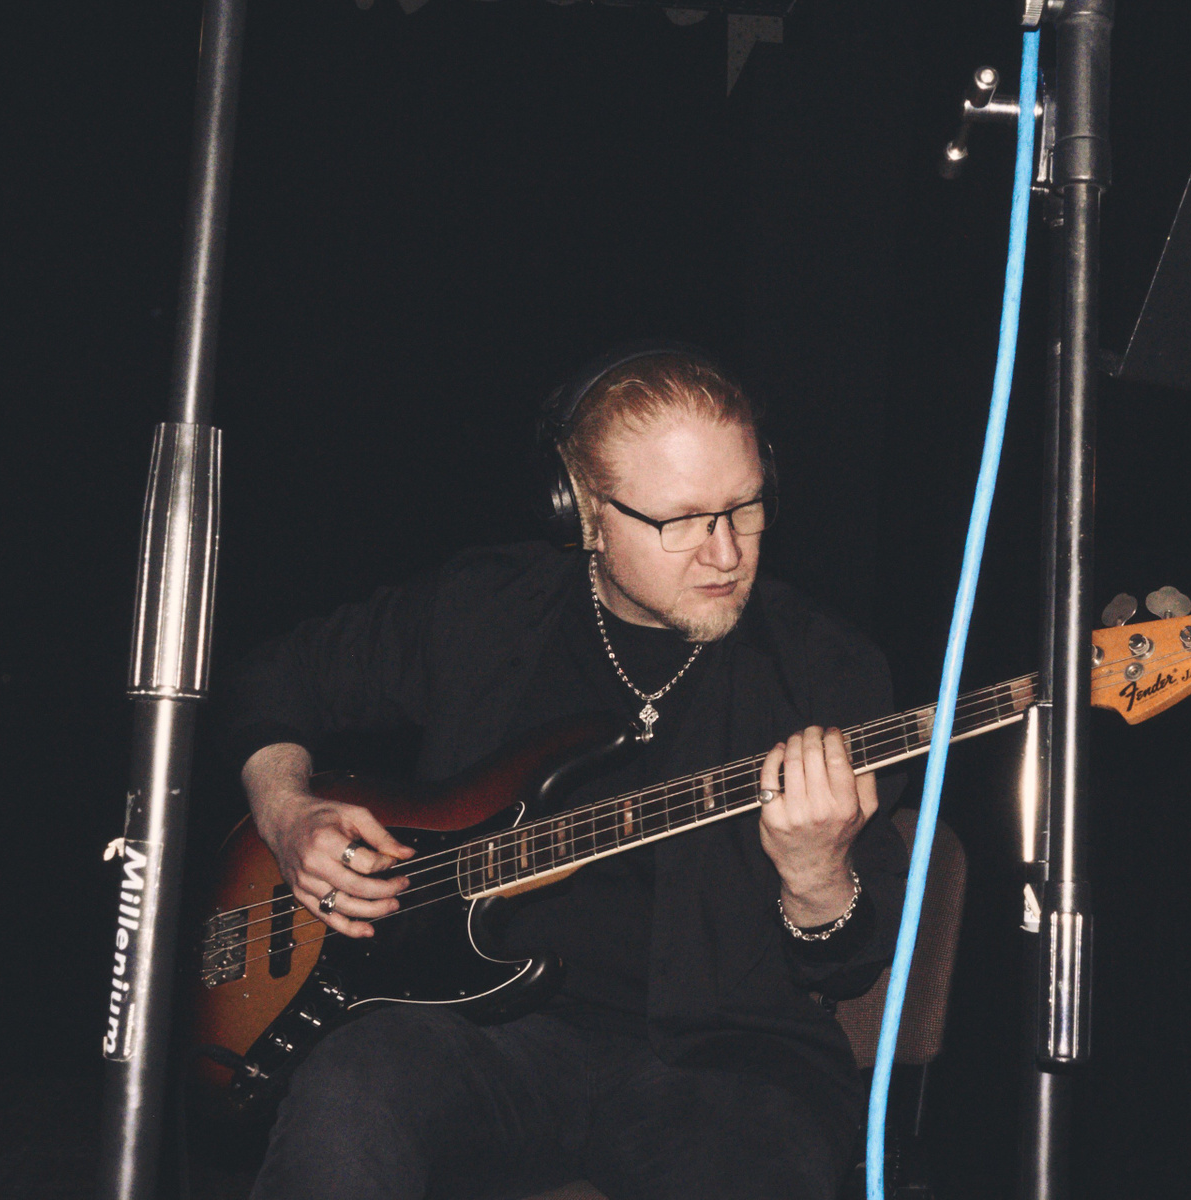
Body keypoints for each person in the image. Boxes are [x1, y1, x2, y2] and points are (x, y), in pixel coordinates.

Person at [220, 347, 907, 1200]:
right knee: (352, 1090)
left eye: (746, 506)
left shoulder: (827, 669)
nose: (726, 551)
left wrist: (816, 876)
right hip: (481, 1035)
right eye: (682, 520)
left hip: (727, 1072)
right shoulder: (484, 608)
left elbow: (846, 969)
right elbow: (275, 677)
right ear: (582, 510)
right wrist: (286, 810)